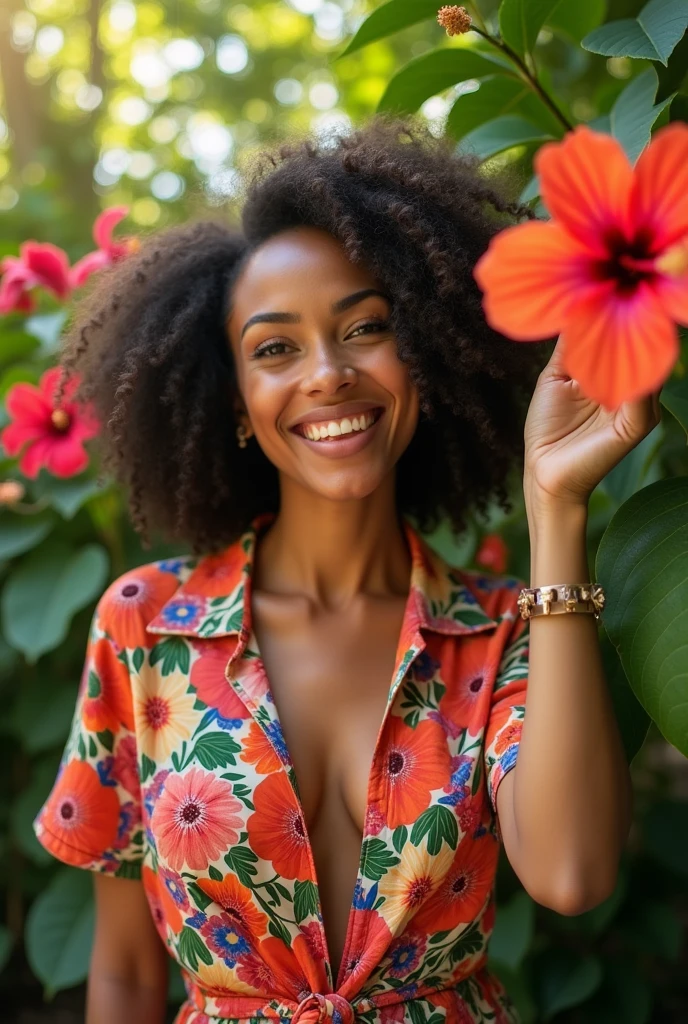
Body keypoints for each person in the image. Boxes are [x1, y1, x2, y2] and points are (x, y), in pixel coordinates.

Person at [33, 115, 655, 1024]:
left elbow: (571, 874)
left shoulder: (504, 633)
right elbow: (125, 972)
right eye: (276, 348)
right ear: (237, 402)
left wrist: (554, 503)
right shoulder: (144, 624)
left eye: (367, 327)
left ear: (426, 357)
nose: (327, 373)